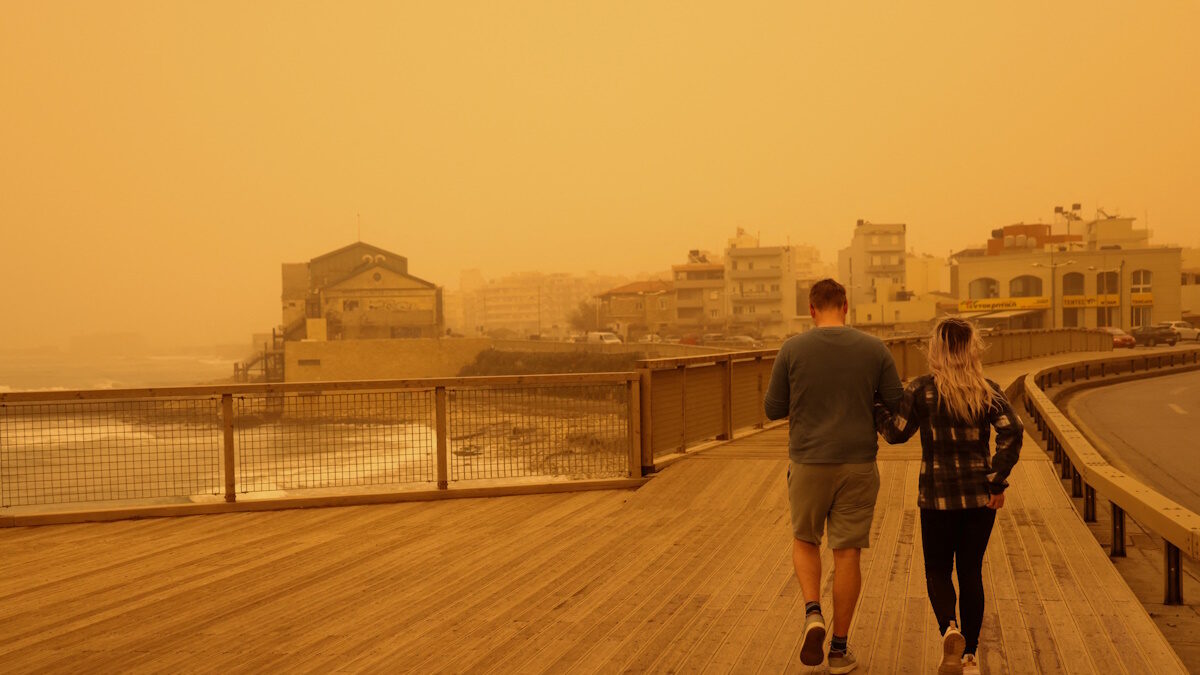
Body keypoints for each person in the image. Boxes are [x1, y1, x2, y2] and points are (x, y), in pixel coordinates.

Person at [764, 278, 903, 673]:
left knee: (805, 540)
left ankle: (813, 613)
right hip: (858, 462)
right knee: (847, 553)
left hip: (808, 461)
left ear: (811, 309)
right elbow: (895, 402)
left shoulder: (792, 349)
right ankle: (840, 650)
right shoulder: (875, 349)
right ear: (846, 306)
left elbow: (773, 408)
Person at [873, 317, 1023, 675]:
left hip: (937, 496)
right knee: (971, 571)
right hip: (979, 497)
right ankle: (970, 656)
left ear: (936, 349)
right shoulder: (987, 390)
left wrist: (876, 405)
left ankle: (948, 629)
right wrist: (997, 480)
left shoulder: (922, 390)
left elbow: (896, 434)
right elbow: (1012, 431)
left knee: (937, 570)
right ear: (971, 349)